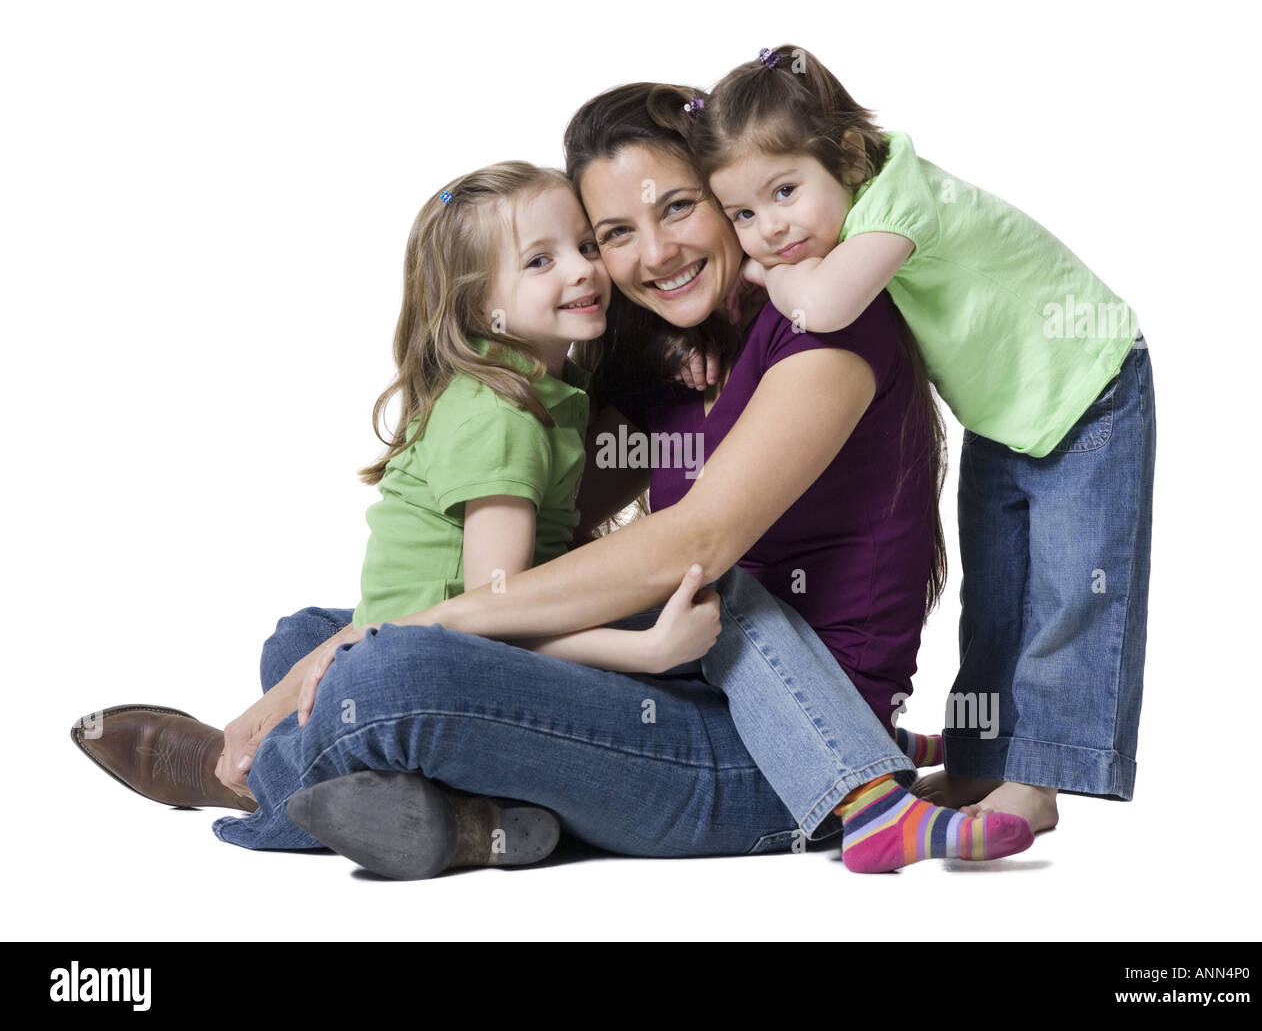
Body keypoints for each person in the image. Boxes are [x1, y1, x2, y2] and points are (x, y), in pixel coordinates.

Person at [73, 83, 1035, 878]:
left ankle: (236, 773)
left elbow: (694, 544)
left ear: (726, 192)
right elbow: (538, 553)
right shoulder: (660, 367)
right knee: (310, 636)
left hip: (775, 756)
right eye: (612, 233)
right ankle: (465, 822)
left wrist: (418, 629)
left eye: (676, 208)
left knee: (392, 669)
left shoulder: (830, 328)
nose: (649, 255)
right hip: (675, 680)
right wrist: (408, 599)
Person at [690, 45, 1157, 832]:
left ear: (845, 155)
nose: (768, 228)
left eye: (784, 192)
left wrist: (770, 277)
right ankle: (980, 764)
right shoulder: (849, 210)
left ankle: (1041, 777)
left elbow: (827, 306)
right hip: (1005, 412)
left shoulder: (898, 201)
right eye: (743, 214)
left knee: (1075, 589)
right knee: (997, 593)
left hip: (1088, 386)